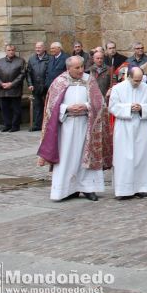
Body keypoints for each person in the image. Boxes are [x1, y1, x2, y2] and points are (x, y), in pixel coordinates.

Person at [36, 56, 111, 201]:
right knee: (67, 157)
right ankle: (66, 190)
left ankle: (88, 188)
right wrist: (66, 108)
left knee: (85, 156)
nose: (81, 70)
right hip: (66, 126)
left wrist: (87, 106)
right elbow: (51, 107)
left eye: (82, 67)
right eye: (77, 68)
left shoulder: (89, 80)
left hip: (86, 125)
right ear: (68, 68)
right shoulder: (59, 82)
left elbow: (100, 104)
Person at [109, 66, 147, 198]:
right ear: (129, 77)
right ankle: (124, 190)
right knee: (124, 158)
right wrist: (129, 108)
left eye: (139, 80)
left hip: (141, 126)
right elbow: (113, 106)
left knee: (142, 157)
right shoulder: (118, 88)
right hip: (124, 126)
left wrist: (142, 107)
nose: (138, 83)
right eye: (135, 80)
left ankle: (142, 187)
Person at [0, 44, 25, 132]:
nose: (11, 52)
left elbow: (22, 74)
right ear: (6, 51)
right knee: (5, 108)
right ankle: (7, 125)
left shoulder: (20, 61)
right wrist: (1, 83)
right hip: (3, 89)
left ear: (14, 51)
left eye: (12, 50)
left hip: (15, 89)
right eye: (9, 50)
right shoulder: (0, 61)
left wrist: (12, 84)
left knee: (16, 109)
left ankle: (15, 125)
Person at [26, 41, 50, 131]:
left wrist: (47, 84)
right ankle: (37, 125)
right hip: (35, 87)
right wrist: (30, 84)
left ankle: (47, 125)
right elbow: (28, 73)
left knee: (47, 107)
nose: (37, 49)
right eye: (36, 47)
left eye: (39, 47)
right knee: (37, 107)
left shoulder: (49, 59)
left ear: (44, 48)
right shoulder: (32, 59)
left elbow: (49, 73)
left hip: (46, 86)